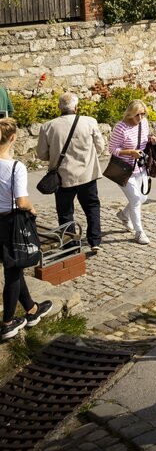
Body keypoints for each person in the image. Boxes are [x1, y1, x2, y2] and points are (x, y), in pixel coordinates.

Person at [1, 118, 54, 341]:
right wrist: (32, 209)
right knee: (13, 270)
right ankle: (7, 323)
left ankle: (32, 310)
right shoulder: (16, 167)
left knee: (15, 266)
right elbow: (21, 201)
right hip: (12, 221)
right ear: (13, 138)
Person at [37, 92, 105, 253]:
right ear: (76, 107)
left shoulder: (48, 126)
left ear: (59, 107)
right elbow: (100, 147)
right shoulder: (89, 122)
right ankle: (95, 241)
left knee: (65, 212)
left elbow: (42, 154)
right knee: (92, 207)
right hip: (87, 175)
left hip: (62, 177)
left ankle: (70, 246)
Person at [108, 100, 156, 245]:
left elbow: (142, 141)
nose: (141, 117)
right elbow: (112, 150)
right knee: (136, 199)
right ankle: (139, 232)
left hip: (140, 166)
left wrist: (151, 140)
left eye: (143, 114)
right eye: (137, 115)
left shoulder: (144, 123)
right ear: (130, 114)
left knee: (143, 198)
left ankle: (123, 215)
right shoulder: (121, 127)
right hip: (123, 169)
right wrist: (130, 152)